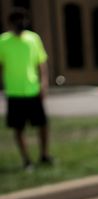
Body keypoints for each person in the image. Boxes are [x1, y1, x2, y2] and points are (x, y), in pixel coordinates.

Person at [0, 8, 51, 171]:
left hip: (33, 90)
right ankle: (26, 160)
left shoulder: (33, 39)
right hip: (14, 92)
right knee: (18, 128)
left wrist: (44, 83)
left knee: (42, 124)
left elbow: (41, 62)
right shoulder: (3, 41)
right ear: (10, 23)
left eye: (22, 19)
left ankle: (44, 155)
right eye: (16, 19)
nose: (20, 22)